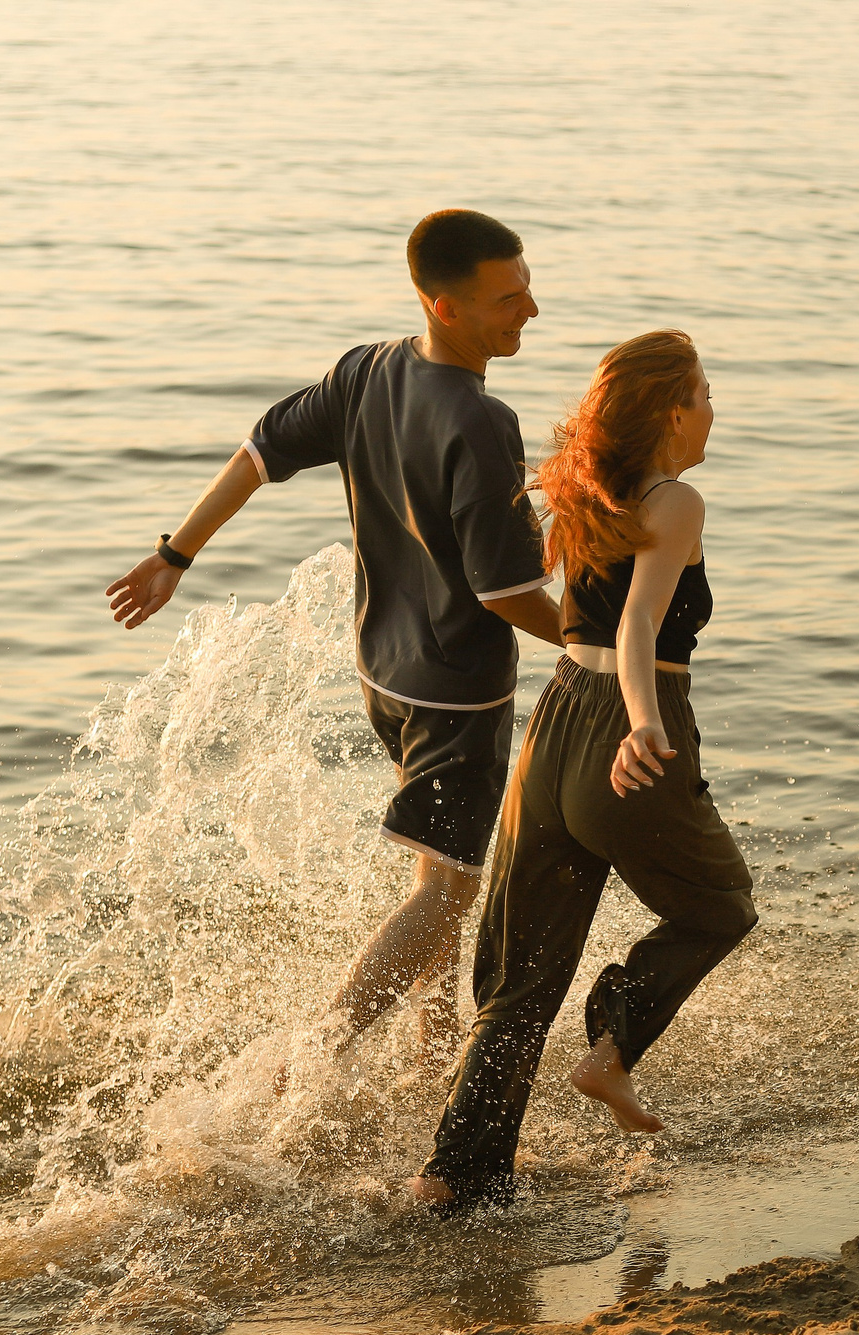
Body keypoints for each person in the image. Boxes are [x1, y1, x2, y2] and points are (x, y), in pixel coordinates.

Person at [105, 210, 565, 1062]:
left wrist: (175, 554)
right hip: (457, 691)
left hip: (383, 674)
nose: (530, 309)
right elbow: (503, 591)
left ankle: (433, 1048)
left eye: (528, 284)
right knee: (448, 891)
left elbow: (258, 450)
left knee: (440, 869)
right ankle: (325, 1048)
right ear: (444, 306)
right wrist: (593, 640)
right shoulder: (482, 421)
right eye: (509, 297)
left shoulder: (367, 371)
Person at [413, 330, 756, 1212]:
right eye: (707, 392)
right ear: (672, 413)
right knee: (720, 906)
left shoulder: (582, 495)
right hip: (623, 733)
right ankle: (611, 1047)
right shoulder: (676, 500)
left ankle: (457, 1177)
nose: (715, 407)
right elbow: (640, 625)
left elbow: (564, 613)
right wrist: (643, 725)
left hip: (554, 724)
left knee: (519, 978)